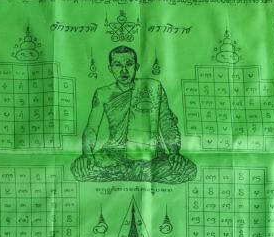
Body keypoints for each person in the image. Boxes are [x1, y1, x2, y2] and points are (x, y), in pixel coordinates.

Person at [71, 46, 196, 184]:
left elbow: (166, 121)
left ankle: (127, 173)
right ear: (110, 68)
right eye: (117, 65)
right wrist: (87, 154)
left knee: (188, 169)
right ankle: (138, 173)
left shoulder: (153, 88)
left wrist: (174, 153)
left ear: (136, 67)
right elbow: (92, 128)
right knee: (79, 169)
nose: (123, 70)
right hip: (114, 154)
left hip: (150, 154)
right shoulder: (103, 93)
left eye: (129, 64)